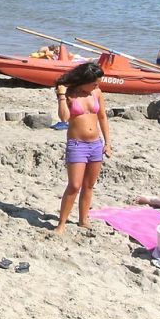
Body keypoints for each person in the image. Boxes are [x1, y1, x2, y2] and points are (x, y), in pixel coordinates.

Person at [53, 63, 113, 234]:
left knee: (89, 185)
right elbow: (64, 118)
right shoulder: (70, 94)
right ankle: (61, 224)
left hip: (96, 144)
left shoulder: (97, 93)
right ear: (84, 81)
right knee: (74, 185)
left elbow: (102, 118)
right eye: (94, 83)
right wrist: (62, 95)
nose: (97, 86)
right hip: (77, 145)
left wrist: (107, 143)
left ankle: (83, 219)